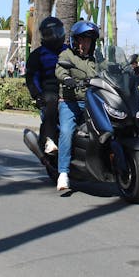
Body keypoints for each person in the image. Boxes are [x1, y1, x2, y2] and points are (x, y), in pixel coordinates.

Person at [54, 21, 101, 192]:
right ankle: (63, 173)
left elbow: (104, 73)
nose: (85, 44)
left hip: (92, 102)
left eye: (89, 41)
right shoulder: (67, 55)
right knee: (67, 131)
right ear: (75, 40)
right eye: (83, 40)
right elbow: (60, 70)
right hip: (70, 102)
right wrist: (66, 79)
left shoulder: (94, 60)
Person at [25, 16, 66, 156]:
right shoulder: (37, 55)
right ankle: (49, 141)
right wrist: (37, 94)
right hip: (50, 89)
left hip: (71, 87)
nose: (55, 35)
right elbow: (31, 77)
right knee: (51, 101)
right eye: (50, 33)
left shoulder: (69, 51)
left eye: (58, 31)